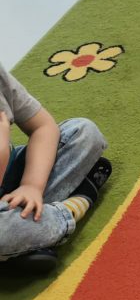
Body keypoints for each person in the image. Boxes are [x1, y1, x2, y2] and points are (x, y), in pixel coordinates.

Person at [1, 62, 110, 275]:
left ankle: (25, 241)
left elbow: (43, 126)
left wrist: (31, 186)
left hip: (12, 179)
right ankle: (73, 207)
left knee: (83, 131)